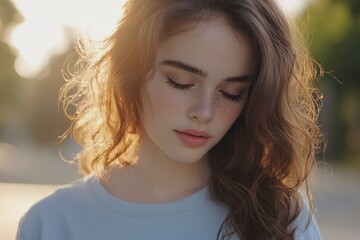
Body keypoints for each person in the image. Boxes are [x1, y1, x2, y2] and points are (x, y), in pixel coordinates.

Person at [17, 0, 323, 239]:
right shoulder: (53, 224)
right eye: (181, 82)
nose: (204, 112)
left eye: (231, 92)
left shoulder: (280, 220)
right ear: (131, 72)